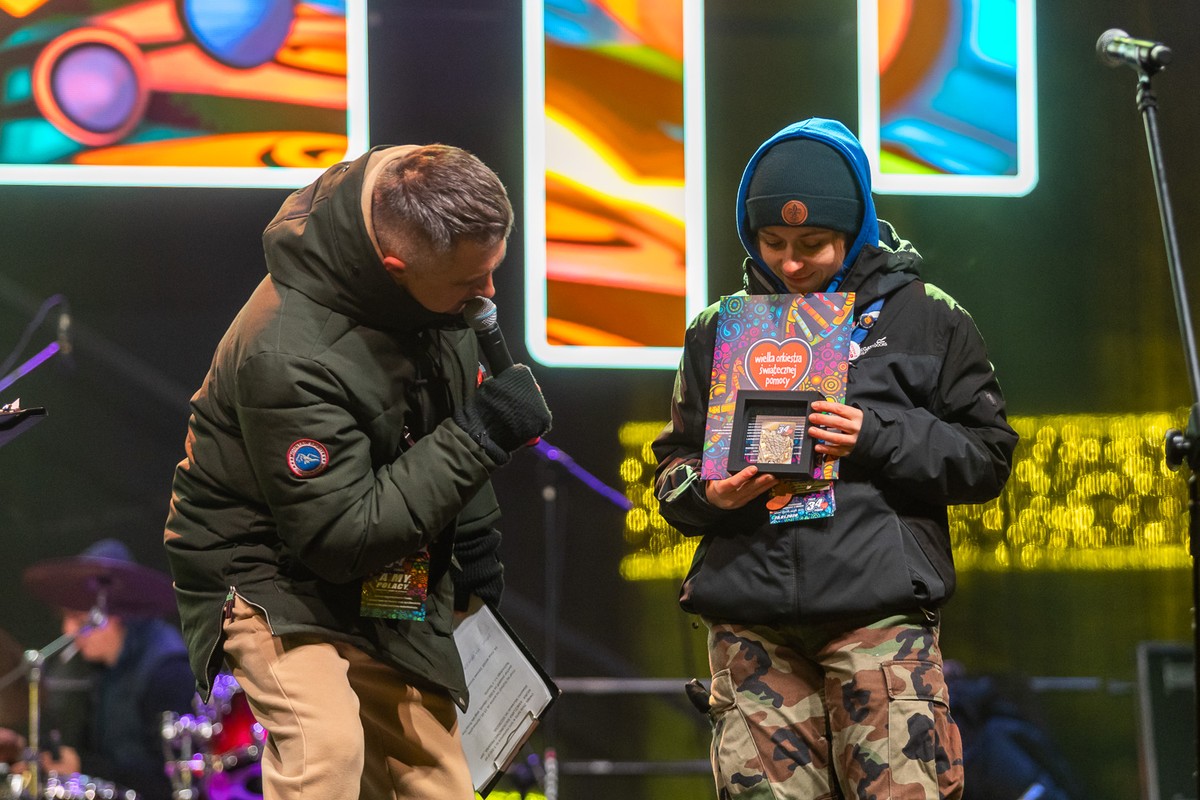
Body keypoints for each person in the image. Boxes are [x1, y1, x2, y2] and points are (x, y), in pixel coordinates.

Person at [163, 143, 552, 800]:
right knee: (327, 749)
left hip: (388, 572)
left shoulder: (439, 295)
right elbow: (340, 536)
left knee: (440, 783)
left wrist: (476, 553)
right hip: (272, 571)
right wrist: (481, 433)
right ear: (397, 268)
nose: (488, 293)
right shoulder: (286, 351)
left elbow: (436, 431)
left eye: (493, 270)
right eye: (470, 281)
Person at [653, 117, 1018, 800]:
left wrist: (875, 434)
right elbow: (671, 467)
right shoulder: (719, 328)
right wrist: (709, 493)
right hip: (753, 625)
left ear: (856, 231)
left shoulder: (928, 316)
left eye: (812, 244)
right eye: (773, 242)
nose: (791, 263)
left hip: (877, 621)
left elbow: (988, 456)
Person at [4, 538, 196, 800]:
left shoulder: (167, 671)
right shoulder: (99, 669)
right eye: (65, 618)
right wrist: (25, 750)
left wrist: (83, 767)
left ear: (115, 614)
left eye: (79, 619)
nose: (68, 631)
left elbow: (176, 778)